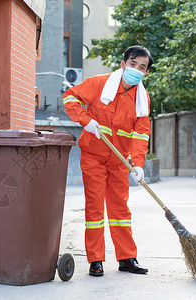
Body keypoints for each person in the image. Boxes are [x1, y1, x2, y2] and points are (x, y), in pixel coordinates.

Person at [63, 45, 153, 276]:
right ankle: (96, 260)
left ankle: (127, 258)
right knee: (94, 209)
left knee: (120, 210)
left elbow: (141, 133)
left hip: (119, 162)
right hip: (94, 157)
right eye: (133, 64)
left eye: (142, 67)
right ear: (123, 64)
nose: (136, 70)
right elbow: (69, 96)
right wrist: (85, 120)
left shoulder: (142, 99)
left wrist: (138, 163)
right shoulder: (99, 83)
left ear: (146, 73)